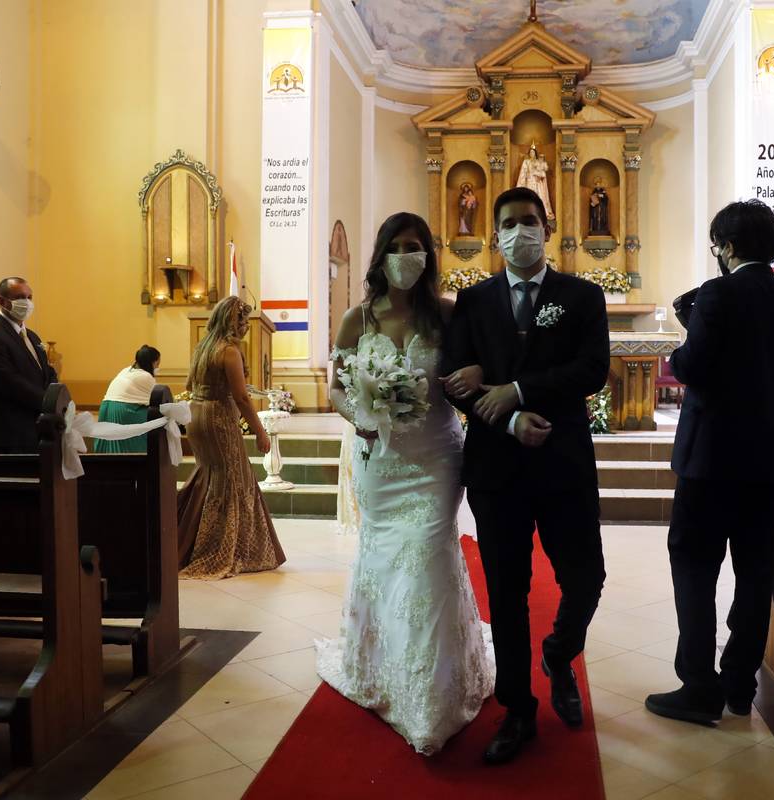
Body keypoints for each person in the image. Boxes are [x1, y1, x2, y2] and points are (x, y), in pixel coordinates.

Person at [442, 186, 610, 765]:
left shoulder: (582, 296)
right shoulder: (472, 302)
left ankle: (560, 652)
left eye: (529, 221)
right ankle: (517, 710)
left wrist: (518, 389)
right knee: (507, 595)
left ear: (549, 226)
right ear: (495, 234)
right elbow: (457, 381)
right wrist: (509, 418)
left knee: (586, 577)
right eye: (509, 224)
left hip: (563, 463)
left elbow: (591, 369)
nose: (520, 232)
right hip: (497, 468)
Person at [316, 212, 493, 755]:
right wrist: (361, 416)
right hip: (381, 463)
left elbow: (471, 375)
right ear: (380, 256)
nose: (406, 256)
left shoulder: (447, 317)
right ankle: (380, 666)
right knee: (384, 561)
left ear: (429, 255)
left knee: (427, 558)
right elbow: (337, 390)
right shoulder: (356, 319)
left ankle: (431, 696)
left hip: (437, 458)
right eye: (396, 246)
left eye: (415, 246)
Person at [647, 200, 774, 724]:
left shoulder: (716, 295)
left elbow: (693, 367)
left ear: (725, 246)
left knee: (695, 564)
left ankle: (699, 685)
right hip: (768, 458)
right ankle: (740, 685)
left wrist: (678, 353)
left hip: (711, 459)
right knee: (754, 570)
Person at [177, 296, 285, 579]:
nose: (246, 327)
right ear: (231, 322)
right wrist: (260, 432)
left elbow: (191, 384)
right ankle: (220, 547)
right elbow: (241, 398)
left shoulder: (204, 347)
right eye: (242, 321)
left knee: (210, 475)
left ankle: (186, 539)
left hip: (197, 415)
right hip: (218, 419)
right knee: (231, 479)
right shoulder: (228, 351)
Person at [0, 277, 57, 454]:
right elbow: (7, 382)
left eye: (29, 297)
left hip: (37, 430)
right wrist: (48, 403)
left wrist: (58, 397)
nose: (26, 302)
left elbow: (48, 373)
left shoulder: (33, 337)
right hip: (8, 434)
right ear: (2, 301)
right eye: (20, 297)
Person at [94, 345, 161, 454]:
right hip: (123, 411)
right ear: (151, 363)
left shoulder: (125, 370)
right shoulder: (146, 377)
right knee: (159, 419)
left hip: (105, 409)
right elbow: (158, 400)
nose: (157, 367)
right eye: (157, 364)